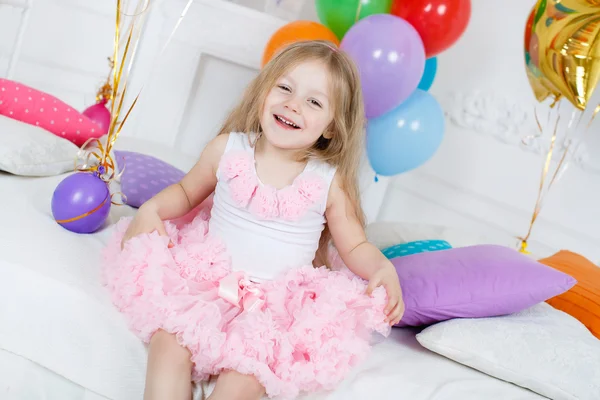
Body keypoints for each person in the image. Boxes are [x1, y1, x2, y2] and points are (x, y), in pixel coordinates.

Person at [102, 40, 405, 400]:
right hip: (207, 284)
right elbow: (185, 193)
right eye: (285, 88)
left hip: (276, 309)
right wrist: (152, 209)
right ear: (264, 92)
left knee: (247, 376)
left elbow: (354, 244)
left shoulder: (326, 181)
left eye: (314, 101)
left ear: (331, 128)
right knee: (168, 342)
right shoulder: (228, 149)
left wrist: (382, 268)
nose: (293, 104)